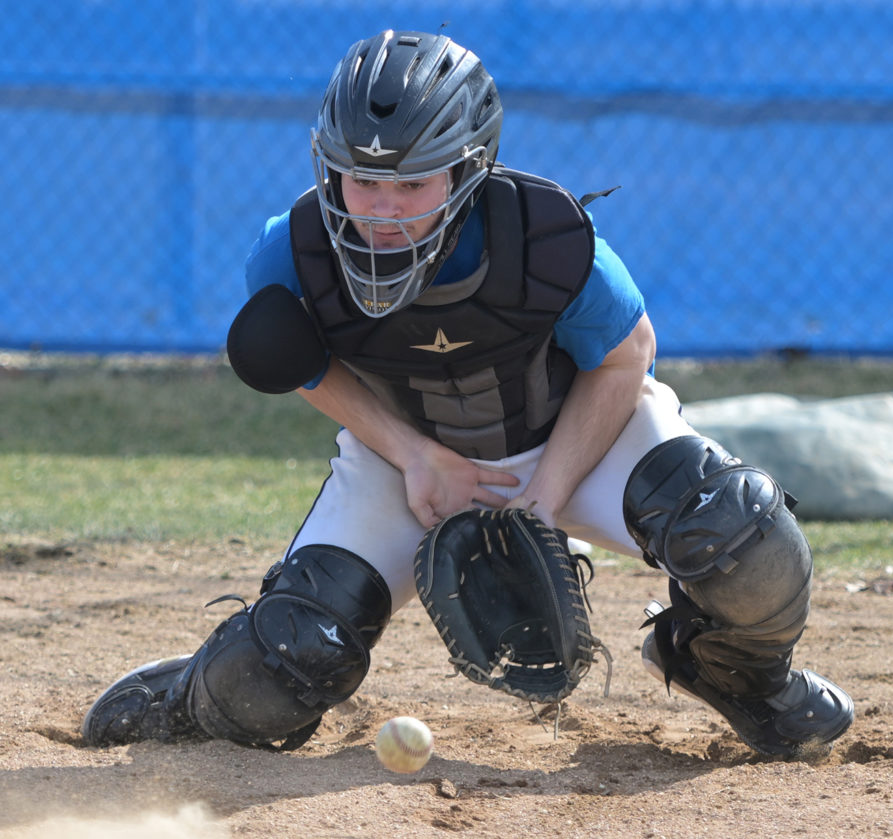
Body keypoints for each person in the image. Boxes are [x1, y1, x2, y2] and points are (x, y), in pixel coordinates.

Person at [81, 29, 853, 758]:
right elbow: (304, 365)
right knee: (286, 659)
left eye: (411, 181)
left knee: (741, 531)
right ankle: (189, 699)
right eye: (361, 179)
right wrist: (415, 455)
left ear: (467, 167)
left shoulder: (545, 238)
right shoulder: (294, 249)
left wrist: (545, 500)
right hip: (405, 464)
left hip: (574, 442)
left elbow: (627, 360)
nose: (380, 210)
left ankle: (736, 672)